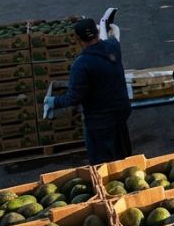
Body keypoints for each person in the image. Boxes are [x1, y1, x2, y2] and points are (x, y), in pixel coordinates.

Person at [43, 18, 133, 164]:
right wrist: (108, 25)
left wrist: (53, 102)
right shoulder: (113, 47)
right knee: (122, 155)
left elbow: (74, 97)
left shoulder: (81, 64)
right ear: (97, 32)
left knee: (102, 163)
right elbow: (113, 35)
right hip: (121, 113)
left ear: (78, 40)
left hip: (100, 122)